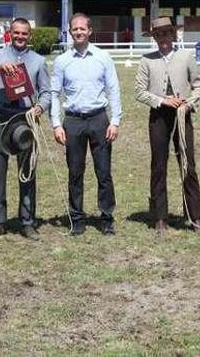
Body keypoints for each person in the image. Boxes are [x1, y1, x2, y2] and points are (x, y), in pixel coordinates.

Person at [0, 18, 51, 240]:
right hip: (0, 117)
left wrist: (40, 107)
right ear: (10, 33)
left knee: (27, 171)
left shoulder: (38, 61)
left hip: (26, 119)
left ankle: (27, 222)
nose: (20, 37)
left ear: (30, 36)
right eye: (16, 32)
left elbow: (46, 92)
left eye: (24, 33)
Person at [50, 13, 122, 236]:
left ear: (90, 31)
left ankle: (107, 217)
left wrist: (116, 120)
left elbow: (113, 90)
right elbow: (54, 94)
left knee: (104, 172)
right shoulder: (62, 61)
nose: (79, 32)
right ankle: (77, 219)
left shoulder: (103, 57)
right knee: (75, 172)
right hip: (72, 121)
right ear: (70, 32)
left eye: (83, 29)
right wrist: (56, 124)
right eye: (75, 29)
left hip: (99, 119)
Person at [134, 17, 200, 234]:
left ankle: (195, 216)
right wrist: (162, 100)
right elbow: (139, 91)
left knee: (187, 164)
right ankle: (159, 217)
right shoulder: (147, 60)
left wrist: (189, 103)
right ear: (154, 38)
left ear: (173, 35)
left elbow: (198, 86)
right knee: (158, 165)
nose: (163, 39)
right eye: (158, 35)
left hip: (182, 116)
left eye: (166, 34)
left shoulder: (186, 56)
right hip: (158, 118)